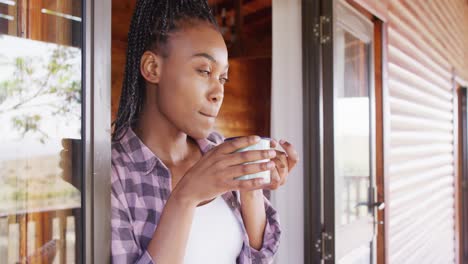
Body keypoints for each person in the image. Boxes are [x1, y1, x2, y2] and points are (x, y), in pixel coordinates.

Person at [111, 1, 299, 263]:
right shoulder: (111, 174)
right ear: (153, 68)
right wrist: (187, 196)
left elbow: (257, 258)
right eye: (204, 71)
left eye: (222, 78)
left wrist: (251, 187)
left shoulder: (218, 151)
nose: (218, 93)